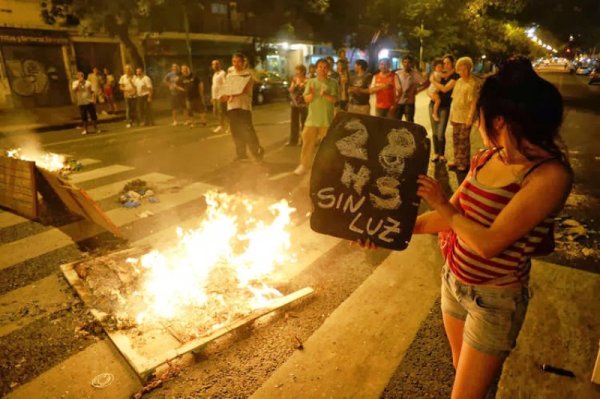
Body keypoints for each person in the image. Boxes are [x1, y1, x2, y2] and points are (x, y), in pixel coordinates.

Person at [414, 57, 572, 399]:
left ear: (499, 120)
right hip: (454, 284)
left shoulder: (548, 176)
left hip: (494, 301)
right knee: (460, 369)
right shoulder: (487, 157)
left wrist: (441, 202)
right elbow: (452, 217)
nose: (476, 124)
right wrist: (392, 230)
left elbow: (489, 243)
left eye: (479, 116)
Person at [293, 58, 338, 175]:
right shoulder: (311, 82)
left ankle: (326, 167)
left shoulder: (333, 82)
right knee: (307, 143)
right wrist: (312, 94)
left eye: (325, 67)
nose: (322, 69)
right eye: (320, 67)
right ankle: (304, 165)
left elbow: (334, 100)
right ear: (316, 68)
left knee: (327, 147)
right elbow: (306, 99)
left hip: (326, 120)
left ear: (328, 69)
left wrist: (325, 94)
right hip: (312, 119)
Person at [221, 53, 264, 162]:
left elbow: (241, 89)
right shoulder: (230, 75)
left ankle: (257, 151)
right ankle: (241, 154)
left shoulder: (247, 74)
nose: (236, 64)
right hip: (232, 106)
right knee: (236, 131)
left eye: (238, 61)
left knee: (248, 130)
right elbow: (226, 90)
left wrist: (230, 91)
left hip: (244, 106)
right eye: (234, 61)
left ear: (243, 62)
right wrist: (225, 94)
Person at [448, 57, 479, 172]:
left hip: (466, 116)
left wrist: (470, 117)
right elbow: (454, 100)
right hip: (456, 115)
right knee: (455, 139)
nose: (462, 72)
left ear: (469, 68)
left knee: (463, 141)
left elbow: (473, 102)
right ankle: (457, 160)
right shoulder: (458, 82)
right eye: (460, 70)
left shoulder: (472, 83)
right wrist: (451, 116)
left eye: (465, 69)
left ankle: (464, 163)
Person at [429, 55, 460, 163]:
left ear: (452, 63)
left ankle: (442, 154)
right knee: (434, 132)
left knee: (441, 132)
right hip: (433, 105)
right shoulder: (440, 75)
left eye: (447, 63)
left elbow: (445, 89)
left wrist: (432, 81)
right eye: (444, 63)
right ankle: (436, 153)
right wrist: (430, 93)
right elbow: (430, 90)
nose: (445, 65)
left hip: (444, 107)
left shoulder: (455, 76)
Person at [394, 55, 428, 122]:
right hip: (398, 102)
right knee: (396, 123)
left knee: (409, 123)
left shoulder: (415, 74)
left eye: (409, 62)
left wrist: (418, 90)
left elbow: (426, 83)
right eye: (405, 62)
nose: (406, 64)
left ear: (411, 64)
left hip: (409, 103)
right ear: (402, 63)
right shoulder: (397, 74)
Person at [288, 64, 308, 146]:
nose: (296, 73)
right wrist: (295, 85)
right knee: (294, 123)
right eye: (296, 71)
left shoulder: (307, 80)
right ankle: (293, 141)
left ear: (303, 72)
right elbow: (291, 90)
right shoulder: (294, 80)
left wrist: (301, 85)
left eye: (298, 71)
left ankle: (304, 141)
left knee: (304, 123)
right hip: (294, 104)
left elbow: (307, 91)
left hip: (303, 104)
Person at [211, 59, 228, 133]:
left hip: (221, 96)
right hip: (215, 96)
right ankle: (221, 126)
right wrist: (212, 97)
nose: (214, 66)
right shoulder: (215, 74)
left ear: (219, 65)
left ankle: (230, 126)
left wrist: (224, 94)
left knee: (223, 112)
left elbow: (225, 84)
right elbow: (214, 86)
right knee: (217, 112)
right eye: (213, 64)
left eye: (216, 64)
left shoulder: (222, 73)